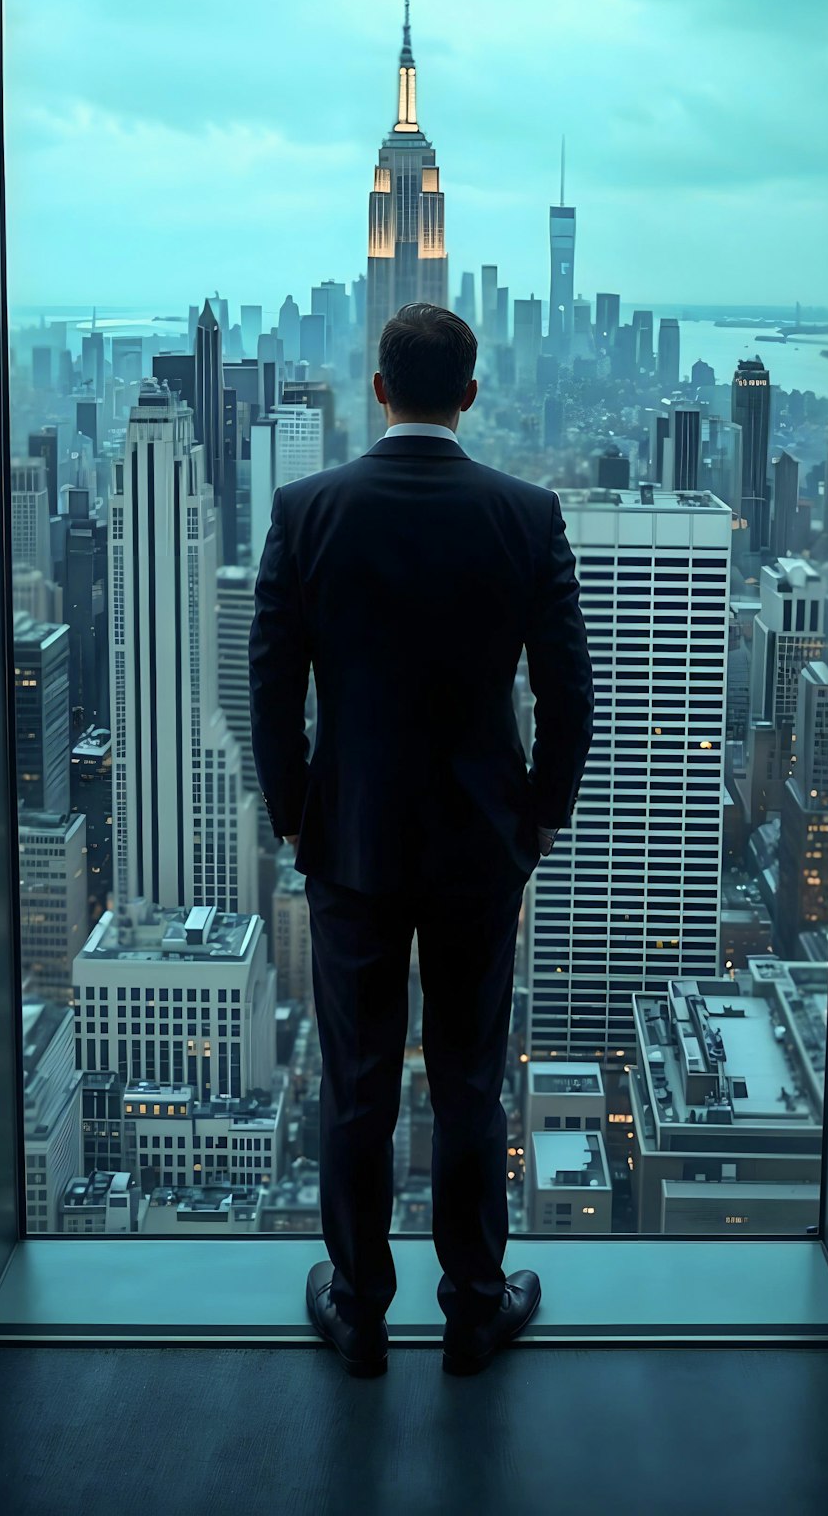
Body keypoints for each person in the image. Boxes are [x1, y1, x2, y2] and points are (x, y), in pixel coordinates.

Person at [250, 302, 594, 1379]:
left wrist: (296, 811)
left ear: (378, 389)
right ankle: (472, 1309)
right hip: (479, 847)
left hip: (349, 843)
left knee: (357, 1084)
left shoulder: (306, 510)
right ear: (473, 393)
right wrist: (538, 811)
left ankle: (358, 1311)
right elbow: (570, 690)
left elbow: (269, 687)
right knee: (468, 1083)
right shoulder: (523, 514)